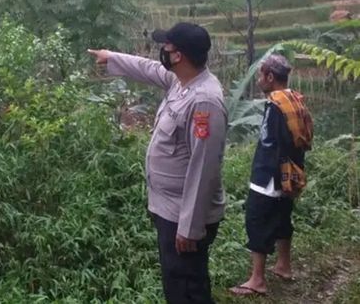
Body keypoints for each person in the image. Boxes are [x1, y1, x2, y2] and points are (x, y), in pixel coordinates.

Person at [88, 22, 227, 304]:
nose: (162, 52)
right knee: (178, 282)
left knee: (187, 289)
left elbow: (204, 170)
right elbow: (148, 68)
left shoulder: (205, 101)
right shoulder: (182, 80)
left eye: (166, 47)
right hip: (169, 208)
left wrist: (189, 228)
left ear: (179, 56)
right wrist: (112, 57)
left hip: (183, 216)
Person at [230, 54, 312, 297]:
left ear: (270, 77)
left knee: (256, 220)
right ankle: (284, 266)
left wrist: (265, 177)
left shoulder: (275, 105)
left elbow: (271, 143)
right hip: (291, 173)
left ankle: (257, 279)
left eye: (260, 75)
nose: (258, 80)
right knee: (282, 217)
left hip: (269, 177)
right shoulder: (294, 100)